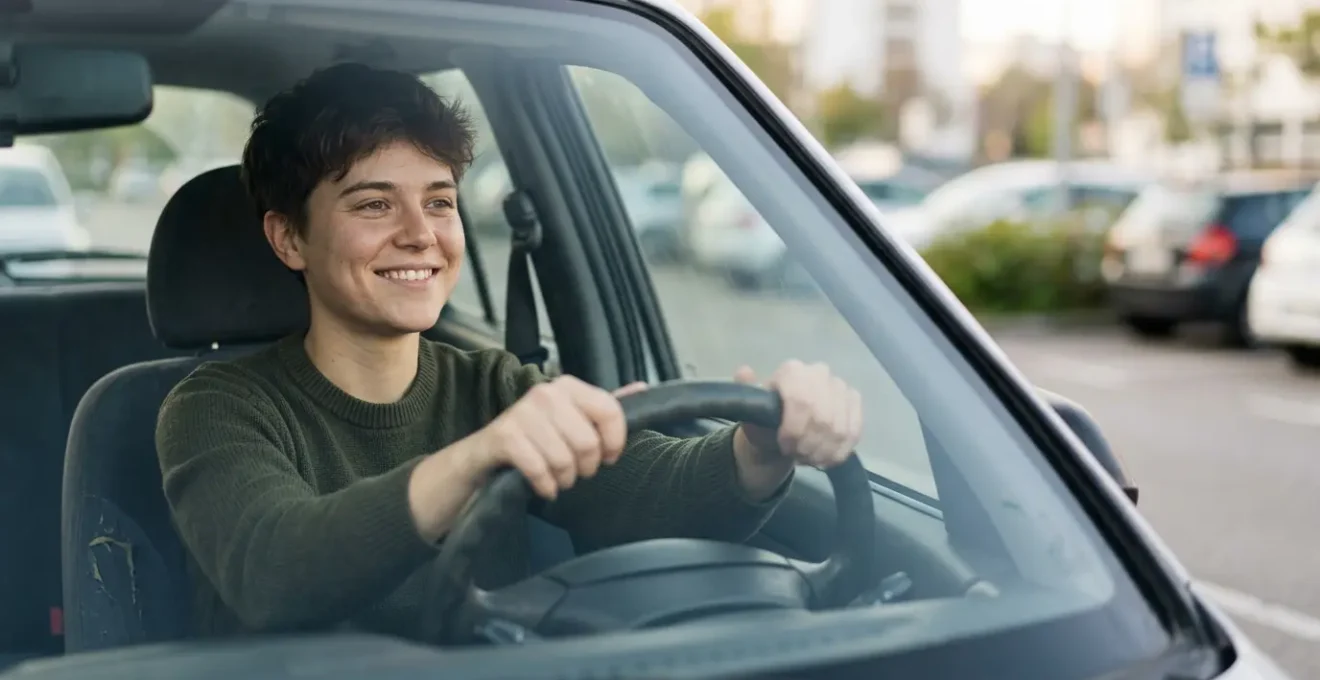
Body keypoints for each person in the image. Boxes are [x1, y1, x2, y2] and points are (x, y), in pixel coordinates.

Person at [155, 62, 864, 642]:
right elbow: (273, 568)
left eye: (438, 201)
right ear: (288, 239)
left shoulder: (490, 385)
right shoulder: (213, 408)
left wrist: (761, 449)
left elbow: (646, 496)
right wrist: (479, 458)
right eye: (374, 205)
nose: (420, 233)